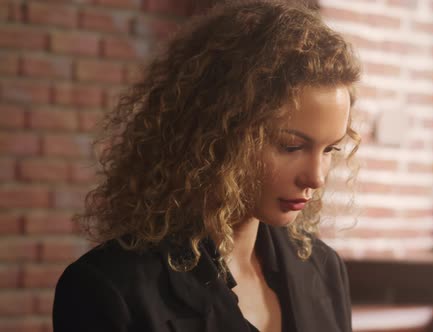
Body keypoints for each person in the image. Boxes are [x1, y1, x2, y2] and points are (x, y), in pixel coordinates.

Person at [52, 0, 361, 331]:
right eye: (292, 146)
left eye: (330, 149)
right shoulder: (109, 288)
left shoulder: (324, 268)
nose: (315, 177)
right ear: (219, 133)